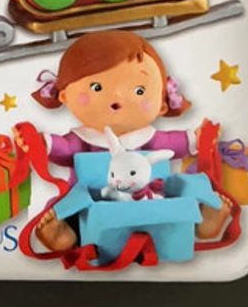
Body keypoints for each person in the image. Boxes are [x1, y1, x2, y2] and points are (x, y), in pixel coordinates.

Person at [14, 30, 232, 252]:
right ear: (64, 96)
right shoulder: (82, 140)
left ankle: (202, 222)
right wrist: (41, 144)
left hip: (152, 200)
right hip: (93, 201)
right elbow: (64, 148)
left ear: (162, 104)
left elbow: (177, 143)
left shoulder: (151, 140)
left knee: (184, 189)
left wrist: (199, 139)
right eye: (97, 88)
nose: (116, 98)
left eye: (139, 90)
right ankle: (64, 233)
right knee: (68, 203)